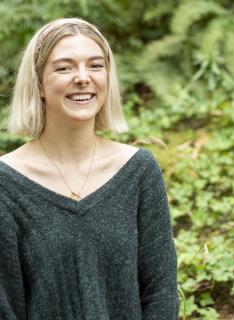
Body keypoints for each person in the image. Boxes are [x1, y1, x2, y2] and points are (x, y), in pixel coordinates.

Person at [0, 17, 179, 319]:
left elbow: (160, 292)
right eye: (64, 67)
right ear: (39, 83)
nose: (83, 78)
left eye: (95, 65)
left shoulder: (139, 171)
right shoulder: (6, 184)